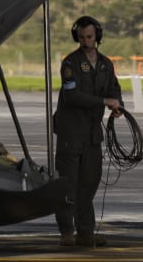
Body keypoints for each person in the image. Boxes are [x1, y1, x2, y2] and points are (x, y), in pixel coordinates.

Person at [53, 15, 124, 247]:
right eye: (82, 37)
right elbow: (72, 96)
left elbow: (115, 88)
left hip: (92, 134)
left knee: (89, 183)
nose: (86, 41)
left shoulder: (105, 64)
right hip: (71, 133)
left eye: (90, 37)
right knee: (68, 184)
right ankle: (66, 233)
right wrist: (104, 102)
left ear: (97, 36)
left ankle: (85, 232)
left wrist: (117, 105)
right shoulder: (70, 64)